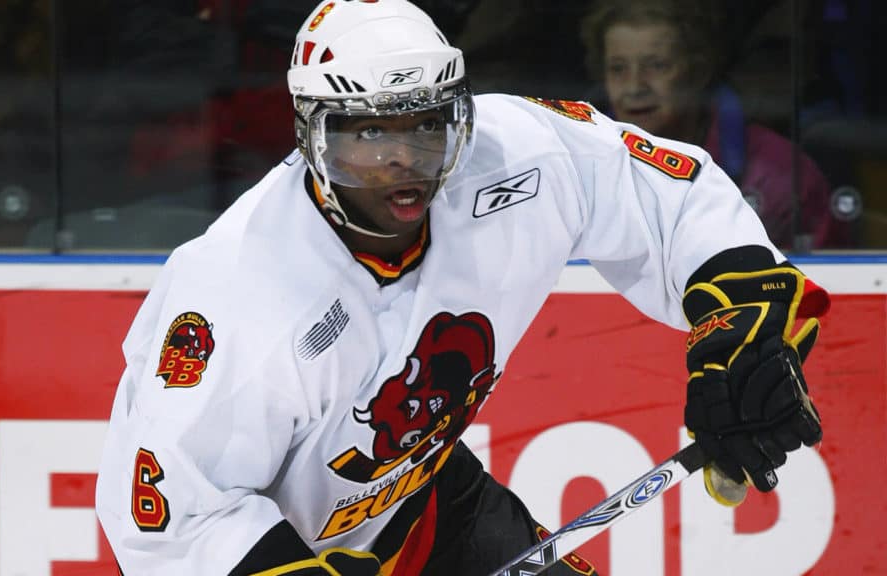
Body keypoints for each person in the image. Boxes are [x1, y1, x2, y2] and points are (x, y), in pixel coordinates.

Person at [94, 1, 830, 574]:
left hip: (425, 509)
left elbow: (661, 192)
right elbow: (170, 515)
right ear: (308, 136)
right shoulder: (233, 290)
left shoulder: (509, 156)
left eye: (428, 129)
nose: (403, 164)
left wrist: (740, 323)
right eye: (366, 138)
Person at [579, 0, 850, 250]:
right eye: (617, 68)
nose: (634, 87)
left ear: (700, 71)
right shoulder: (580, 163)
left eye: (657, 66)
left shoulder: (779, 175)